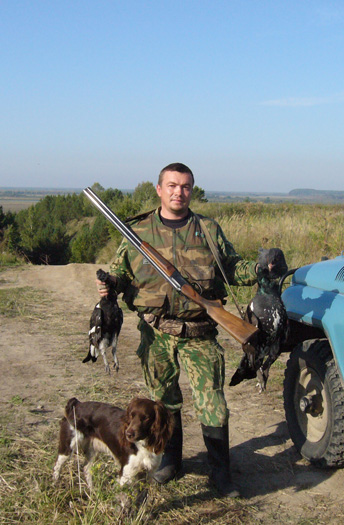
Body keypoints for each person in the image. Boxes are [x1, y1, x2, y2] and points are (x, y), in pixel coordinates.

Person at [95, 162, 261, 497]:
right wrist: (109, 283)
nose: (178, 192)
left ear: (191, 190)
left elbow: (232, 267)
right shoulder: (138, 231)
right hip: (155, 333)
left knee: (213, 404)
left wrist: (261, 269)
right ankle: (170, 462)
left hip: (200, 332)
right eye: (171, 185)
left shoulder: (207, 229)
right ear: (159, 189)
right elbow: (120, 273)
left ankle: (220, 473)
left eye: (185, 186)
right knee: (163, 403)